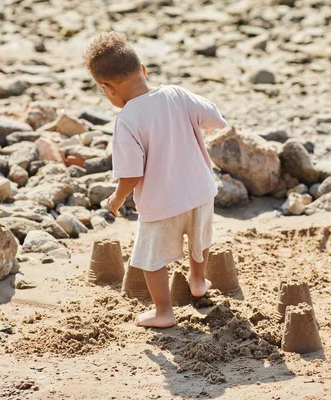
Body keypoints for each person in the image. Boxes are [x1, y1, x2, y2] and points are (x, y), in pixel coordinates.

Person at [83, 32, 227, 328]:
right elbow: (214, 117)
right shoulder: (176, 93)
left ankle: (164, 311)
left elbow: (132, 172)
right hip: (200, 191)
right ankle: (198, 281)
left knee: (151, 259)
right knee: (200, 242)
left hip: (161, 203)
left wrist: (118, 198)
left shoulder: (127, 120)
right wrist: (205, 128)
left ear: (107, 88)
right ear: (143, 69)